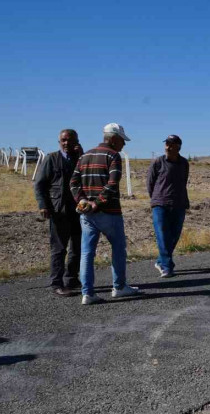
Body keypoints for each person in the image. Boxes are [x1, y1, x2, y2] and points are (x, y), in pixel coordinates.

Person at [70, 123, 142, 304]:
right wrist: (97, 203)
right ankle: (119, 287)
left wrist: (82, 201)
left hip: (86, 215)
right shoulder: (113, 156)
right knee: (118, 249)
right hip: (109, 212)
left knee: (87, 253)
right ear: (114, 139)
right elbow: (112, 184)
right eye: (122, 141)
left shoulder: (85, 156)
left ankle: (87, 293)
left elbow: (73, 182)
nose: (123, 145)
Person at [34, 129, 82, 296]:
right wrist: (43, 205)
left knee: (77, 246)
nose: (66, 143)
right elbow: (39, 184)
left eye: (69, 140)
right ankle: (56, 283)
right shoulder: (52, 159)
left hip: (78, 210)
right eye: (63, 140)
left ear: (77, 141)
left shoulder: (80, 159)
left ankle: (72, 278)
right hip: (59, 210)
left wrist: (81, 156)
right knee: (59, 248)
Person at [147, 134, 190, 278]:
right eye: (166, 144)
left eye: (171, 144)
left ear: (178, 147)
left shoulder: (184, 163)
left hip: (179, 204)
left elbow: (183, 181)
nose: (167, 147)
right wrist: (156, 198)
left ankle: (161, 261)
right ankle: (167, 266)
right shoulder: (158, 162)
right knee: (162, 235)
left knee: (173, 236)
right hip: (160, 204)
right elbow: (150, 183)